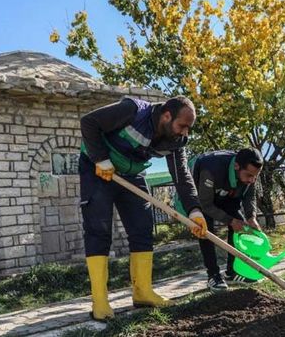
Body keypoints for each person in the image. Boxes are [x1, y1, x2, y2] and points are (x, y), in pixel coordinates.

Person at [79, 95, 208, 321]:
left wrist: (195, 211)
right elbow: (89, 122)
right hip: (97, 169)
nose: (185, 133)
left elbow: (182, 176)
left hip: (131, 173)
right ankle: (100, 300)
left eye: (189, 128)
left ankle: (142, 292)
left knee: (142, 227)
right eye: (183, 126)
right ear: (166, 115)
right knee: (98, 230)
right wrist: (100, 158)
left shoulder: (177, 141)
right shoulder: (132, 111)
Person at [183, 148, 263, 291]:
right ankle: (213, 276)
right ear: (236, 166)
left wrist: (251, 217)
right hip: (201, 198)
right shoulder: (211, 168)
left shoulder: (250, 173)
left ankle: (232, 272)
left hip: (227, 193)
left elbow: (250, 195)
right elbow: (206, 205)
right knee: (205, 229)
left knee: (240, 222)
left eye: (255, 176)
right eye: (249, 175)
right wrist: (230, 220)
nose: (252, 180)